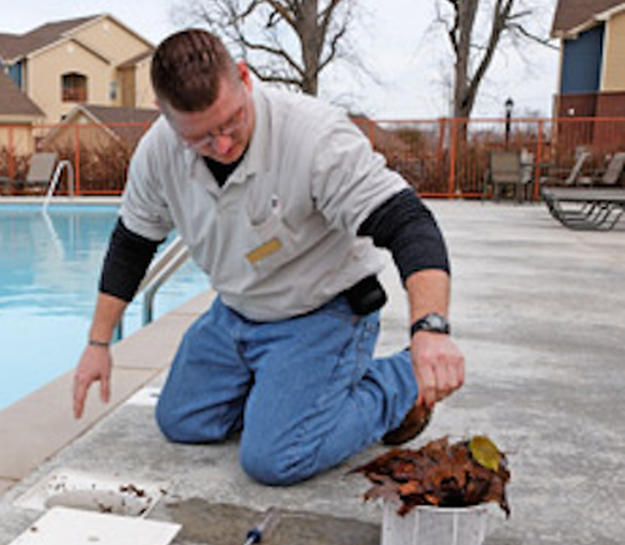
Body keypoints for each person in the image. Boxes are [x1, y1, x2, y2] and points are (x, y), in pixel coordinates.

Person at [73, 28, 465, 486]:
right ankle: (285, 394)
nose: (222, 145)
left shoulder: (314, 135)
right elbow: (132, 243)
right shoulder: (157, 151)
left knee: (275, 459)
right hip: (237, 312)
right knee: (181, 422)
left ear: (243, 78)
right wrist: (98, 344)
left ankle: (399, 382)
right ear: (166, 115)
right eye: (200, 136)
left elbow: (408, 222)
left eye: (232, 121)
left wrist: (430, 328)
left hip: (322, 310)